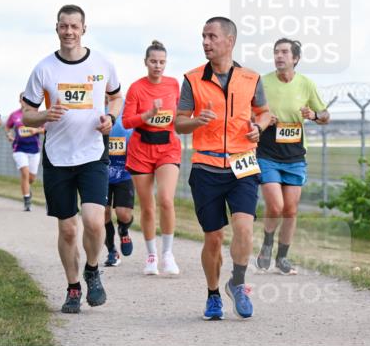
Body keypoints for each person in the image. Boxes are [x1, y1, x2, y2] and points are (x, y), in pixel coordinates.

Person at [21, 4, 122, 314]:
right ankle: (73, 287)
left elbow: (116, 95)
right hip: (58, 156)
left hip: (92, 153)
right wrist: (42, 116)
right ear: (57, 29)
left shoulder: (103, 64)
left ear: (83, 29)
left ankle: (92, 269)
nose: (68, 32)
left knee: (93, 221)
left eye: (74, 27)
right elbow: (26, 112)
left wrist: (110, 116)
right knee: (67, 230)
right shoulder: (44, 69)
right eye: (63, 26)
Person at [174, 17, 271, 320]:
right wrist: (195, 121)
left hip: (243, 164)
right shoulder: (192, 79)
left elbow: (265, 113)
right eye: (203, 36)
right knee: (213, 237)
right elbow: (178, 123)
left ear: (229, 41)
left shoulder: (251, 79)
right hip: (206, 167)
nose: (205, 42)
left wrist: (260, 127)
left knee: (244, 228)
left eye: (212, 36)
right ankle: (213, 293)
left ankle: (238, 283)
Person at [255, 38, 330, 275]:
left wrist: (314, 114)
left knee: (290, 210)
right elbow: (247, 111)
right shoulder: (262, 82)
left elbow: (326, 115)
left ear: (295, 58)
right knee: (275, 206)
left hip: (295, 155)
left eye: (284, 52)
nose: (279, 56)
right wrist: (263, 118)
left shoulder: (306, 84)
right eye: (276, 52)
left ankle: (283, 258)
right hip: (267, 152)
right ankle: (267, 243)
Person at [122, 40, 182, 275]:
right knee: (148, 206)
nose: (158, 66)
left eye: (162, 62)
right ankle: (151, 256)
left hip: (167, 146)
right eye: (153, 61)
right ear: (145, 62)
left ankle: (167, 254)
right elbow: (127, 121)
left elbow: (181, 114)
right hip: (141, 148)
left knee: (166, 199)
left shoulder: (173, 84)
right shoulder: (136, 88)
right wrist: (148, 114)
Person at [103, 107, 135, 267]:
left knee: (123, 214)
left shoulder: (124, 107)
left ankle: (124, 229)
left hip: (124, 174)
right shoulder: (93, 105)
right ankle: (112, 251)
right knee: (103, 214)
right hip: (101, 174)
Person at [5, 93, 45, 212]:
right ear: (20, 100)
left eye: (27, 99)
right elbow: (8, 127)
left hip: (34, 149)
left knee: (31, 178)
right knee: (25, 173)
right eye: (23, 99)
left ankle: (27, 189)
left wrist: (36, 130)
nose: (25, 101)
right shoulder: (14, 115)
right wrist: (9, 134)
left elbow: (45, 129)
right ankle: (27, 200)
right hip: (19, 148)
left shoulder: (37, 115)